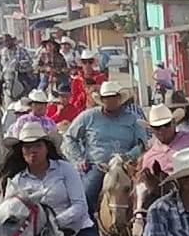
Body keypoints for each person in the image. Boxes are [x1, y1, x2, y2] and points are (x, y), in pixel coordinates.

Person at [64, 80, 149, 220]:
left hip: (126, 166)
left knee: (144, 194)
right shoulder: (88, 116)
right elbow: (69, 137)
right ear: (101, 100)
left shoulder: (133, 119)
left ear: (119, 99)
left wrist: (127, 157)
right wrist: (78, 159)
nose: (110, 101)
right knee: (86, 194)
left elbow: (141, 144)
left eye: (113, 98)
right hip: (98, 166)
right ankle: (88, 225)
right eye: (106, 98)